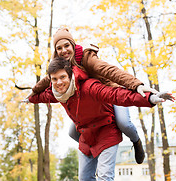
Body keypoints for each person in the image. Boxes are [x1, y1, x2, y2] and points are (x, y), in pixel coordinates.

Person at [27, 58, 174, 181]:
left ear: (71, 74)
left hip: (107, 130)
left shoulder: (89, 85)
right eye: (54, 79)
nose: (59, 83)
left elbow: (119, 96)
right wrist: (29, 98)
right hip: (87, 135)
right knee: (85, 178)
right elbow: (41, 96)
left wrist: (150, 98)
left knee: (105, 176)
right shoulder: (59, 92)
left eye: (63, 77)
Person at [27, 28, 159, 164]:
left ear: (72, 45)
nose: (64, 50)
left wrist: (136, 85)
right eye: (59, 48)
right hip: (93, 103)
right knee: (72, 132)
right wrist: (34, 90)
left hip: (111, 93)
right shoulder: (61, 66)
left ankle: (136, 141)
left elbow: (109, 70)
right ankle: (95, 153)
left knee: (124, 123)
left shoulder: (86, 58)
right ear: (56, 51)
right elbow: (48, 79)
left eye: (66, 45)